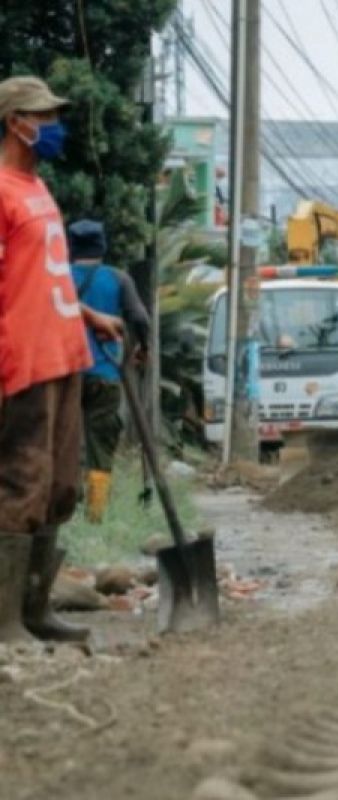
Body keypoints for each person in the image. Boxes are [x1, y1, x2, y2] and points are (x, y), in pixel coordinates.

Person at [0, 76, 124, 643]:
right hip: (22, 360)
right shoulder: (1, 191)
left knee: (60, 489)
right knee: (23, 485)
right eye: (42, 116)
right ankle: (6, 624)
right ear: (14, 122)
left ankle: (35, 610)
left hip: (65, 355)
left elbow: (42, 277)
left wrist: (89, 316)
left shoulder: (38, 189)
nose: (52, 127)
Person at [70, 219, 150, 523]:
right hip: (106, 374)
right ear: (102, 247)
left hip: (64, 375)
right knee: (100, 446)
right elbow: (140, 320)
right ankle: (94, 516)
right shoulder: (118, 279)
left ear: (72, 247)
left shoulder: (57, 279)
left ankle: (66, 510)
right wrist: (143, 348)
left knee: (66, 442)